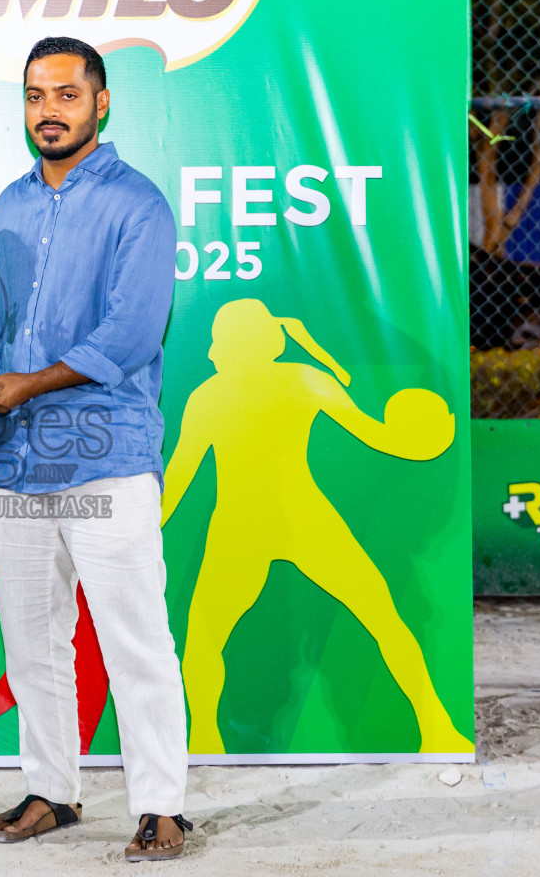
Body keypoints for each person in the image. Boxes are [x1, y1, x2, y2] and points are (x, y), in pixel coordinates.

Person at [0, 36, 192, 862]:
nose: (47, 111)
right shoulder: (12, 205)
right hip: (18, 458)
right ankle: (52, 791)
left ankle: (162, 803)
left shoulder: (139, 205)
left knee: (134, 638)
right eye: (33, 96)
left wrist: (28, 386)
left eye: (64, 94)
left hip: (109, 455)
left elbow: (128, 335)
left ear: (100, 103)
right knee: (31, 638)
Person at [161, 298, 472, 755]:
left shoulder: (210, 396)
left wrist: (141, 529)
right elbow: (380, 435)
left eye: (219, 341)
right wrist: (427, 437)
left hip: (246, 524)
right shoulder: (302, 378)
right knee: (382, 617)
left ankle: (205, 740)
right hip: (299, 517)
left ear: (225, 344)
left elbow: (177, 481)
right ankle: (437, 727)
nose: (213, 352)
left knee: (203, 636)